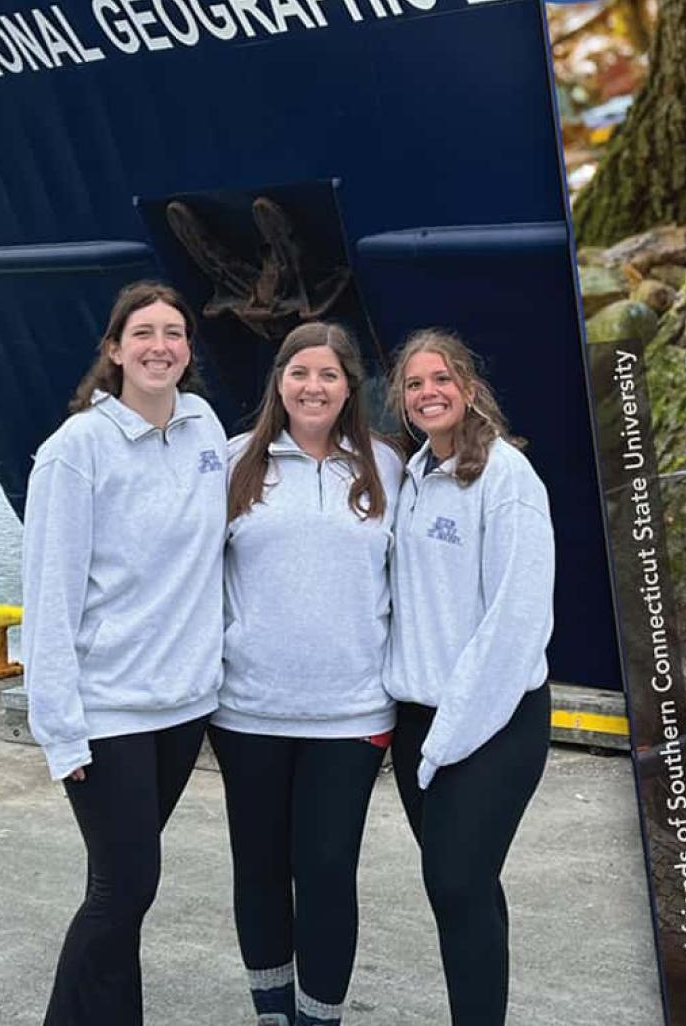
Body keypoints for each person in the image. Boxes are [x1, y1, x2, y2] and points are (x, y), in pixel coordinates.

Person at [20, 280, 228, 1023]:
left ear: (188, 351)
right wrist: (59, 727)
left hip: (183, 707)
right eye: (142, 333)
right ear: (114, 350)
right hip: (108, 710)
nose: (159, 347)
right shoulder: (76, 451)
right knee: (124, 887)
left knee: (124, 892)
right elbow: (49, 594)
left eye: (174, 333)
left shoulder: (205, 429)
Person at [209, 321, 403, 1026]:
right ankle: (272, 1015)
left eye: (328, 375)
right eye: (299, 373)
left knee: (326, 872)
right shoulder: (233, 463)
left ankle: (319, 1019)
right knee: (259, 868)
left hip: (351, 715)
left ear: (350, 387)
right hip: (248, 711)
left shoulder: (387, 467)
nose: (312, 387)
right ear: (279, 382)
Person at [383, 329, 555, 1024]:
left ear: (470, 388)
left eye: (441, 379)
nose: (428, 393)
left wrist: (453, 730)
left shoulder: (507, 478)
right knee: (467, 888)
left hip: (495, 717)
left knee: (455, 883)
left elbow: (516, 619)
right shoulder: (411, 478)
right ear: (401, 399)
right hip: (419, 721)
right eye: (414, 384)